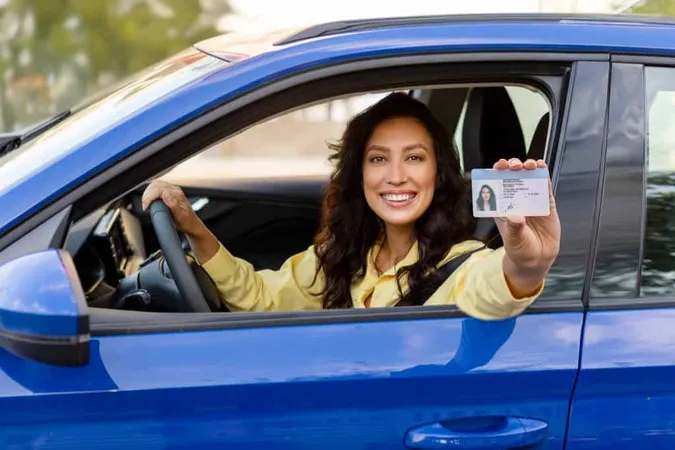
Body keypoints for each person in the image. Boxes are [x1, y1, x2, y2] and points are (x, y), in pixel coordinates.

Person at [141, 92, 561, 320]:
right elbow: (261, 298)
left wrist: (528, 265)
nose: (395, 176)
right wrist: (193, 228)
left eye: (414, 158)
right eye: (378, 159)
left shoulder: (464, 265)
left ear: (439, 172)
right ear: (360, 174)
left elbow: (498, 288)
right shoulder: (344, 256)